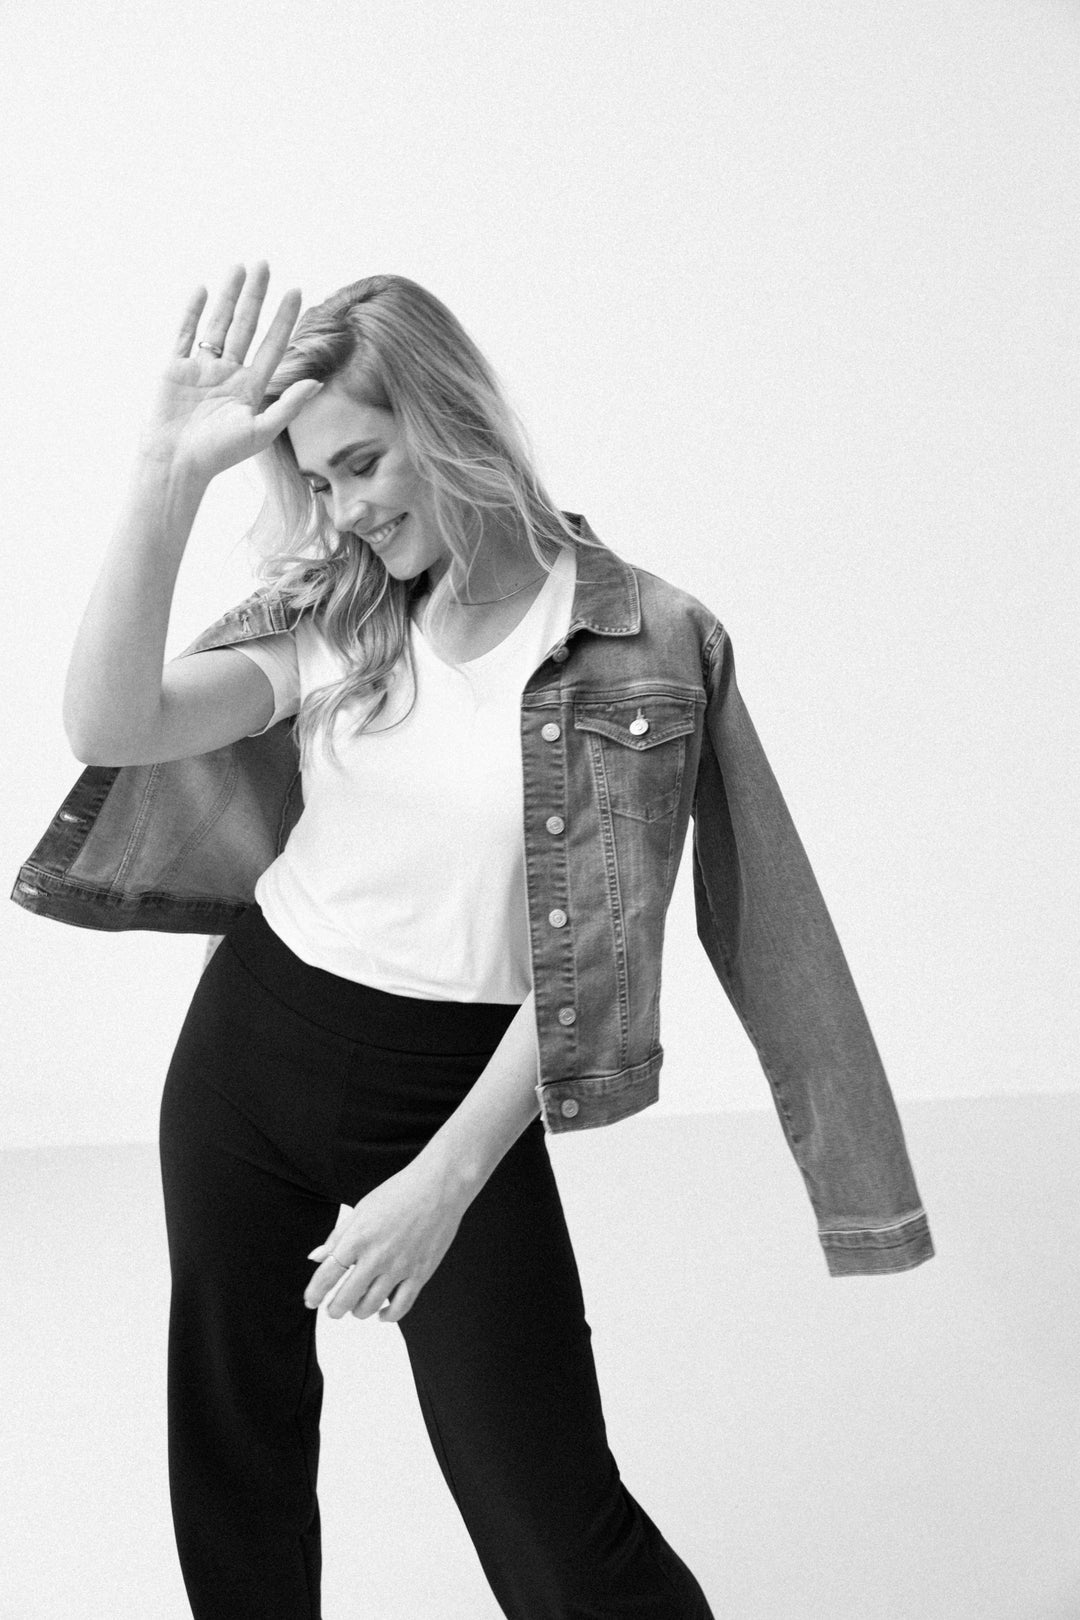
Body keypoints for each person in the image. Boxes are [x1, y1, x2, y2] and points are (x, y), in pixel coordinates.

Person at [13, 262, 934, 1620]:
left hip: (459, 1090)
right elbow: (109, 726)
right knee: (236, 1464)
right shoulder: (342, 617)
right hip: (248, 1055)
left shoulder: (638, 647)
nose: (344, 509)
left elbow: (601, 961)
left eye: (363, 464)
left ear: (447, 418)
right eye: (317, 482)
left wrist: (440, 1185)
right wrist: (166, 475)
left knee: (558, 1528)